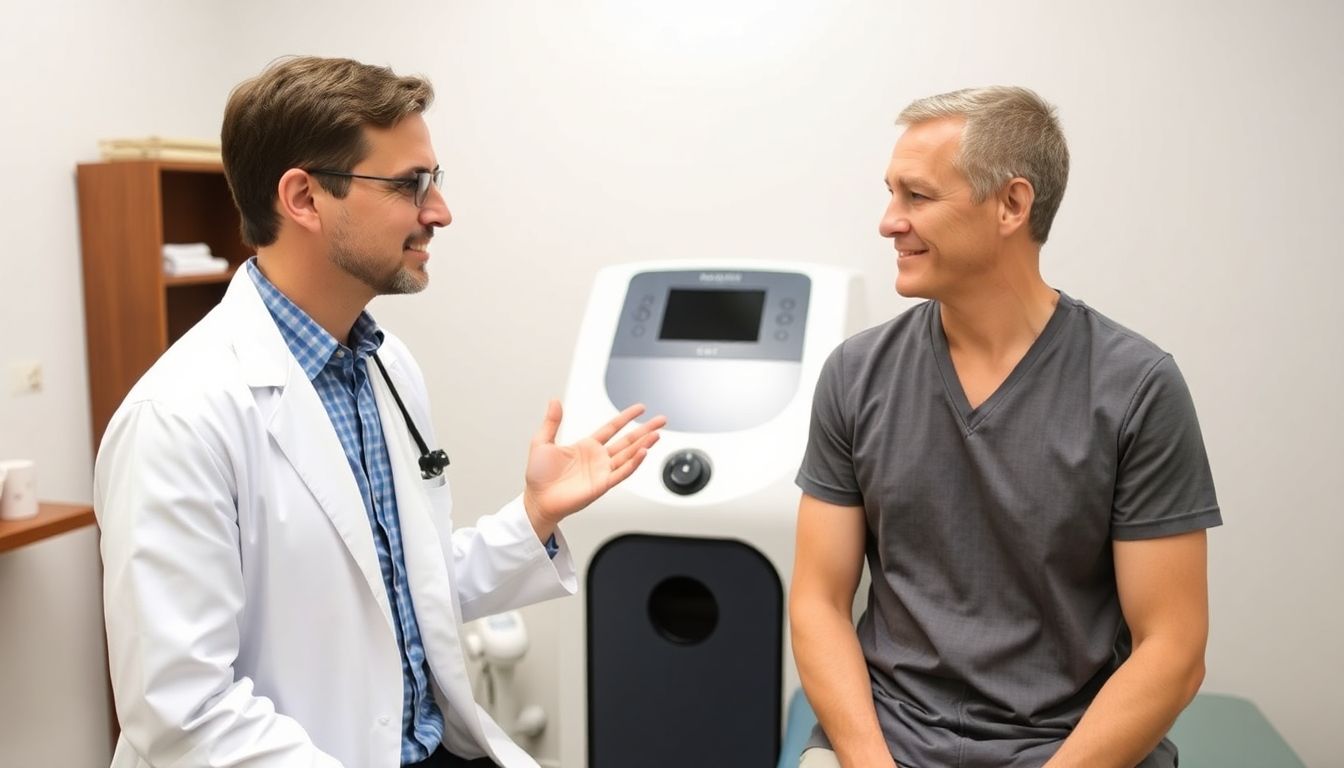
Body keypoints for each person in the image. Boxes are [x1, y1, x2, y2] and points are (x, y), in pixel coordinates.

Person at [94, 56, 664, 768]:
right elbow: (184, 713)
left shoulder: (384, 365)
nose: (439, 212)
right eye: (408, 185)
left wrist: (534, 517)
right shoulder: (177, 418)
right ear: (304, 197)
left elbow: (397, 587)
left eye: (434, 182)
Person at [789, 86, 1221, 768]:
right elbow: (817, 600)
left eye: (917, 196)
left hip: (1071, 749)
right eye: (890, 193)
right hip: (890, 741)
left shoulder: (1136, 389)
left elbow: (1174, 650)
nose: (888, 222)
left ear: (1012, 206)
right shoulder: (856, 375)